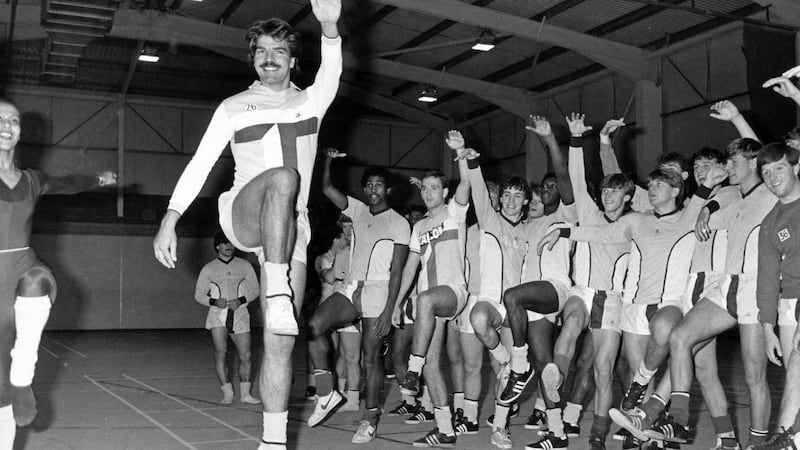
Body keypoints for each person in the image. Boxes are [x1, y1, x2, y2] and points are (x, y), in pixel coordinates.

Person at [152, 2, 342, 448]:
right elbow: (201, 162)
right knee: (282, 179)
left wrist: (330, 25)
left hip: (291, 229)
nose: (269, 58)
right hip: (243, 211)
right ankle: (276, 289)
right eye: (260, 52)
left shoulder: (312, 100)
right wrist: (171, 216)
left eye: (278, 51)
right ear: (253, 59)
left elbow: (333, 65)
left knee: (280, 340)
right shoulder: (233, 107)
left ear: (294, 60)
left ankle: (272, 442)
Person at [0, 98, 116, 449]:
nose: (6, 125)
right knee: (0, 395)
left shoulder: (31, 180)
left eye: (13, 120)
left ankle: (24, 376)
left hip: (23, 265)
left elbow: (67, 182)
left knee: (37, 281)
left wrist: (98, 177)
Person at [307, 149, 410, 444]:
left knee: (370, 359)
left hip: (380, 293)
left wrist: (392, 308)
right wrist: (327, 160)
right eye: (368, 186)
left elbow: (399, 272)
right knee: (314, 326)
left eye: (378, 185)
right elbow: (326, 188)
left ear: (387, 189)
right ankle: (326, 392)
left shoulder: (399, 223)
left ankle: (369, 420)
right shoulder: (357, 209)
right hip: (352, 288)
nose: (373, 190)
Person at [395, 130, 471, 448]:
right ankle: (445, 430)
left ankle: (411, 369)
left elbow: (466, 184)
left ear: (444, 190)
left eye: (434, 188)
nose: (428, 193)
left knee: (424, 301)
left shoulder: (455, 213)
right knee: (432, 365)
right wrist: (398, 303)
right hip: (429, 305)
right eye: (424, 188)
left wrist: (460, 152)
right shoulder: (419, 226)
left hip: (452, 292)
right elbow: (411, 267)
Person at [194, 232, 261, 405]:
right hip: (218, 318)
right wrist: (215, 301)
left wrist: (241, 300)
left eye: (231, 243)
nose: (229, 246)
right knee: (220, 354)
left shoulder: (245, 265)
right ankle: (227, 393)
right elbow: (199, 295)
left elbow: (255, 290)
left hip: (240, 316)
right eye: (224, 243)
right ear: (217, 246)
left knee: (246, 355)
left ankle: (245, 394)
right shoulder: (208, 268)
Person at [312, 218, 361, 411]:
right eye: (345, 228)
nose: (348, 231)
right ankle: (339, 394)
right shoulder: (341, 254)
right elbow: (329, 277)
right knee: (336, 354)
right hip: (337, 308)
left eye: (352, 227)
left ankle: (354, 399)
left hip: (354, 306)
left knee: (352, 357)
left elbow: (329, 276)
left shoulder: (360, 252)